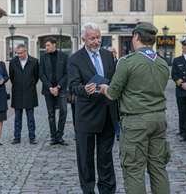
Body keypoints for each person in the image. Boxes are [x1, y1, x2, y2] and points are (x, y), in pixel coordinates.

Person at [98, 21, 170, 194]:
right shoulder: (162, 63)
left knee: (134, 169)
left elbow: (113, 93)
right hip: (159, 118)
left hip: (136, 120)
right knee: (158, 167)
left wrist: (103, 88)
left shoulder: (127, 61)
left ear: (136, 36)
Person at [68, 22, 118, 194]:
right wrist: (84, 89)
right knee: (86, 159)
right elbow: (73, 86)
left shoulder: (107, 55)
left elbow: (113, 81)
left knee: (106, 157)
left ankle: (107, 190)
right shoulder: (75, 59)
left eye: (98, 37)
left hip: (107, 114)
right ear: (83, 39)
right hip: (87, 115)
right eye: (92, 38)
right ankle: (88, 190)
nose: (96, 41)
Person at [39, 37, 68, 146]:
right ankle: (53, 137)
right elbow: (41, 74)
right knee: (51, 114)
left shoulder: (64, 56)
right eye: (45, 46)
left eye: (48, 45)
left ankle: (59, 136)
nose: (46, 48)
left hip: (61, 89)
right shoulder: (43, 58)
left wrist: (58, 87)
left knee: (64, 111)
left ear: (54, 44)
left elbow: (67, 73)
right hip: (48, 90)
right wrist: (51, 87)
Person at [9, 44, 39, 145]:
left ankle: (32, 137)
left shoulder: (34, 61)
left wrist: (29, 85)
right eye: (17, 53)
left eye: (21, 53)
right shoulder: (13, 62)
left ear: (26, 51)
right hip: (17, 92)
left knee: (30, 118)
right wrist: (18, 85)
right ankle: (17, 137)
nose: (19, 55)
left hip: (30, 92)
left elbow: (36, 77)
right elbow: (12, 77)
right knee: (17, 118)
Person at [107, 46, 122, 141]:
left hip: (117, 91)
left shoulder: (119, 63)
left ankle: (118, 132)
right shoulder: (105, 63)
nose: (109, 54)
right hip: (107, 91)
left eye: (111, 52)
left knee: (118, 112)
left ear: (115, 53)